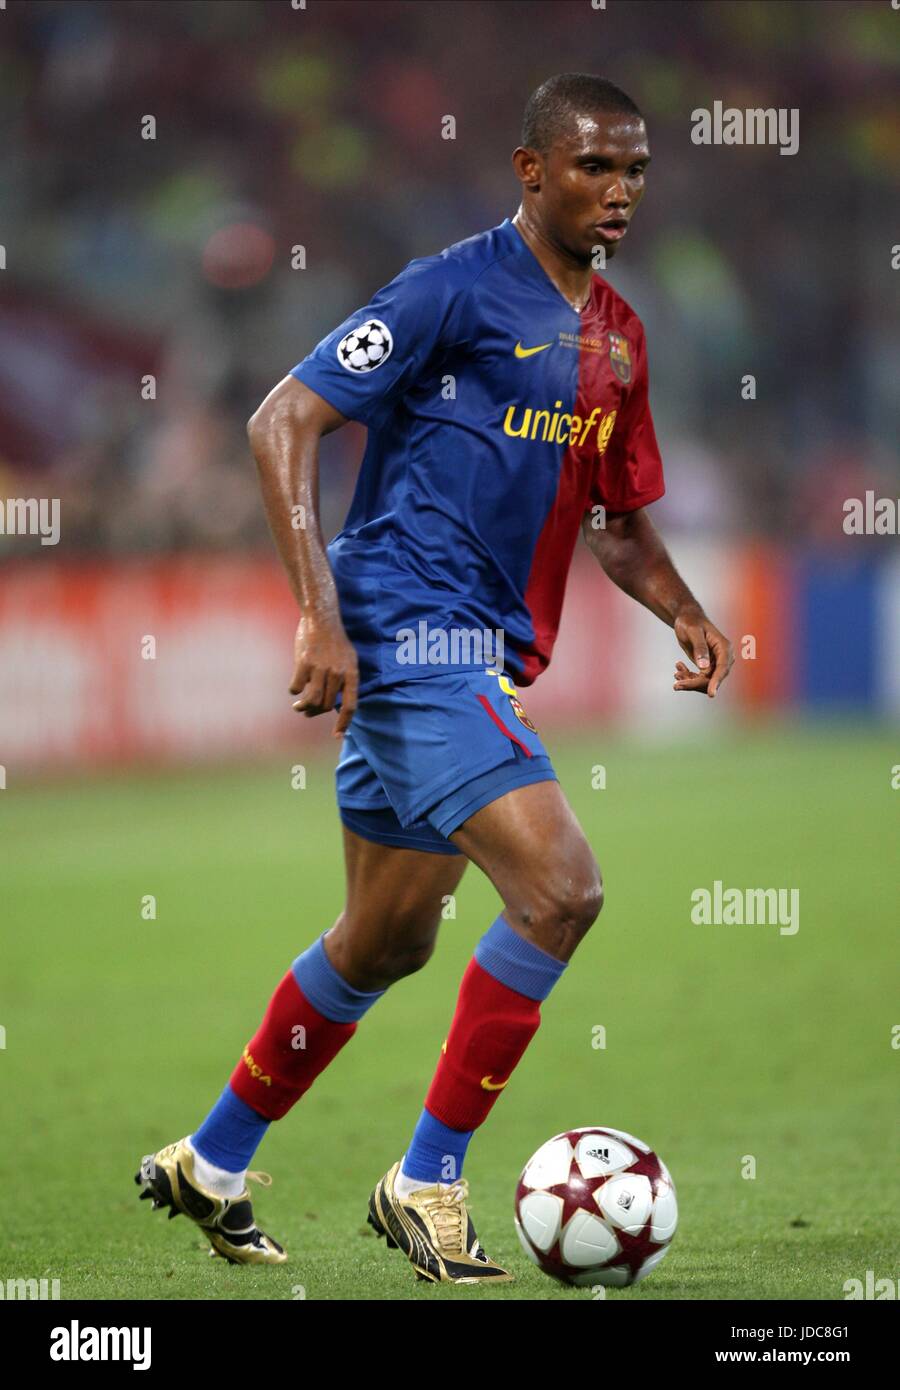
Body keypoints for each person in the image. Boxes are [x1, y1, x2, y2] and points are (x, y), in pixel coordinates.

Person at [136, 72, 733, 1285]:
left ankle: (213, 1156)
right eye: (592, 168)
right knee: (562, 891)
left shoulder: (618, 336)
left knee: (384, 941)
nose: (618, 192)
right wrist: (320, 615)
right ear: (530, 170)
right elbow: (281, 421)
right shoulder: (451, 289)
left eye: (634, 172)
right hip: (409, 632)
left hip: (477, 649)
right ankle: (427, 1181)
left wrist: (685, 609)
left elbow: (616, 519)